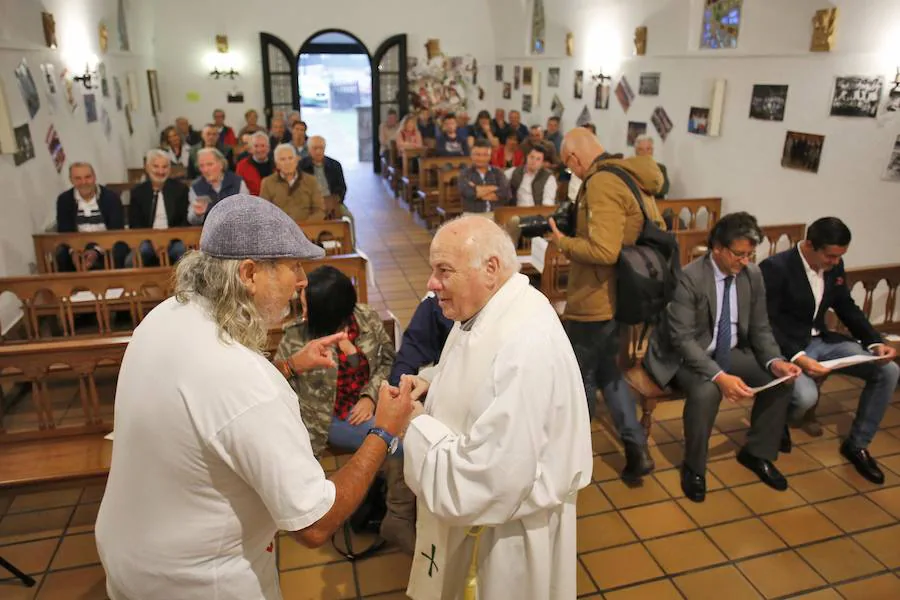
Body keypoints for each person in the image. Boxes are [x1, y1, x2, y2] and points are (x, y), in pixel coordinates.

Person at [96, 194, 416, 600]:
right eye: (293, 266)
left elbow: (212, 412)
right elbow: (315, 523)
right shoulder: (243, 377)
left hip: (134, 553)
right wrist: (384, 432)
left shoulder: (164, 317)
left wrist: (288, 367)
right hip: (197, 580)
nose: (303, 281)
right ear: (248, 273)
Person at [397, 216, 592, 600]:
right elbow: (477, 366)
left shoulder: (526, 344)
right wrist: (433, 382)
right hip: (487, 527)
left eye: (443, 270)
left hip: (503, 539)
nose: (431, 284)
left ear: (490, 269)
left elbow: (486, 479)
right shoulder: (494, 306)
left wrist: (414, 424)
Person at [638, 213, 802, 502]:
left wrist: (775, 361)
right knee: (707, 391)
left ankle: (757, 452)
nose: (746, 261)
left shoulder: (752, 276)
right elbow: (682, 340)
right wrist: (720, 376)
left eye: (751, 254)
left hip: (730, 349)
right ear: (717, 249)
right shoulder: (689, 278)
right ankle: (694, 467)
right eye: (739, 254)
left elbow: (762, 328)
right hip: (683, 357)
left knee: (781, 381)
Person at [548, 127, 664, 483]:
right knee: (611, 375)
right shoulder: (628, 175)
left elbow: (603, 251)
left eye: (569, 167)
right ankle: (636, 449)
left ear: (573, 159)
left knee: (578, 376)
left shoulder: (600, 183)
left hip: (597, 299)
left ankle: (575, 457)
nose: (573, 172)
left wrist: (563, 242)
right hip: (623, 295)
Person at [277, 265, 415, 552]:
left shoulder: (365, 319)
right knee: (401, 442)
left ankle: (392, 508)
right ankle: (398, 516)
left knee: (413, 427)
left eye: (306, 301)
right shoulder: (297, 336)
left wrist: (370, 397)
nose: (300, 304)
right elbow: (280, 384)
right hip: (327, 418)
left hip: (366, 404)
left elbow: (387, 360)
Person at [760, 217, 898, 483]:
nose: (835, 262)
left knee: (888, 371)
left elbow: (845, 305)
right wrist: (799, 358)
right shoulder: (776, 267)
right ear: (810, 245)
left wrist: (874, 341)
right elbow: (767, 322)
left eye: (840, 257)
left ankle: (857, 444)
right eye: (831, 256)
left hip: (822, 340)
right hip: (788, 346)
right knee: (805, 398)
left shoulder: (834, 265)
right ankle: (776, 421)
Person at [55, 162, 127, 271]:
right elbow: (65, 231)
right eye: (78, 178)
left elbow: (116, 230)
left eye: (87, 177)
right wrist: (74, 252)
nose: (84, 182)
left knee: (119, 251)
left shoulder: (111, 197)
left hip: (106, 245)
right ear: (71, 180)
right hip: (78, 246)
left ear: (94, 177)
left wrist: (96, 251)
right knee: (62, 256)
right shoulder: (64, 200)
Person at [127, 149, 189, 267]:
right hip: (147, 239)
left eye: (165, 167)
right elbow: (135, 224)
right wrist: (152, 239)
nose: (161, 171)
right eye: (156, 166)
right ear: (147, 167)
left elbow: (184, 221)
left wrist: (168, 240)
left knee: (184, 255)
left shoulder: (180, 189)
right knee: (133, 259)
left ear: (169, 169)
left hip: (175, 238)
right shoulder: (138, 192)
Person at [388, 293, 454, 387]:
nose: (431, 284)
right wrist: (399, 389)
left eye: (446, 277)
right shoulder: (435, 306)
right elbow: (410, 354)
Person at [259, 144, 326, 222]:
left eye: (290, 158)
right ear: (277, 164)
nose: (287, 162)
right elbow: (263, 212)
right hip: (279, 230)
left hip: (307, 230)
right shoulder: (267, 182)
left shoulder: (311, 181)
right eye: (282, 159)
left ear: (296, 161)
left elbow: (319, 211)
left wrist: (303, 227)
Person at [187, 148, 249, 225]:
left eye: (210, 164)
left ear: (221, 164)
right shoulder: (196, 187)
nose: (205, 170)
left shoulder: (237, 182)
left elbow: (247, 212)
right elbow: (192, 220)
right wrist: (197, 214)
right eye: (201, 166)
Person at [457, 139, 511, 217]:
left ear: (490, 156)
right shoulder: (464, 173)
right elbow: (469, 193)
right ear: (471, 155)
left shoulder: (498, 172)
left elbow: (505, 193)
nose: (481, 158)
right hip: (471, 214)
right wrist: (494, 188)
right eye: (477, 154)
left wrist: (476, 189)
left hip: (495, 214)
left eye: (485, 155)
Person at [235, 132, 275, 196]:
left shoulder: (276, 165)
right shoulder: (242, 166)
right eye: (256, 146)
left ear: (268, 148)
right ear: (251, 148)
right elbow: (238, 189)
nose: (259, 149)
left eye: (263, 145)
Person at [634, 134, 670, 200]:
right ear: (636, 152)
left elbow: (664, 190)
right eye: (641, 149)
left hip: (657, 205)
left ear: (652, 151)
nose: (645, 153)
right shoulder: (630, 168)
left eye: (648, 149)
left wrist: (643, 189)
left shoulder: (661, 168)